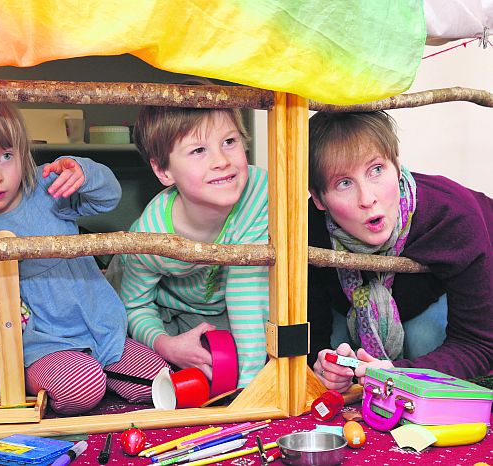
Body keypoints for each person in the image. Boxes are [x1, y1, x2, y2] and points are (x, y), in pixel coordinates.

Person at [0, 102, 169, 415]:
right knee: (84, 387)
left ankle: (98, 369)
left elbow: (109, 197)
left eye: (6, 157)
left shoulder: (47, 187)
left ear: (22, 153)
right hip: (41, 343)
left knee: (157, 380)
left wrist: (83, 174)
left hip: (102, 326)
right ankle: (39, 376)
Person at [307, 110, 492, 392]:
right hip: (367, 312)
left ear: (397, 164)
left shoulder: (453, 218)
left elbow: (479, 344)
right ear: (319, 198)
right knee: (338, 346)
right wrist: (321, 366)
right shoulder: (310, 230)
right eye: (344, 183)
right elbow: (312, 337)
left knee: (423, 336)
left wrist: (400, 374)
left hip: (460, 307)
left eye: (377, 170)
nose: (367, 199)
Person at [108, 101, 269, 388]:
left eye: (229, 141)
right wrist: (166, 344)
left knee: (259, 353)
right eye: (198, 150)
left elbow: (248, 288)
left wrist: (249, 386)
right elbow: (135, 306)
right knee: (143, 369)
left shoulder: (261, 192)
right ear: (164, 171)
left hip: (234, 306)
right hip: (172, 311)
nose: (221, 160)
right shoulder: (150, 235)